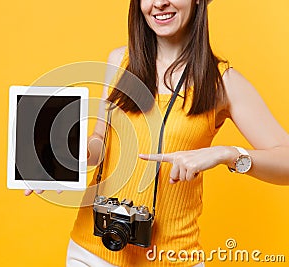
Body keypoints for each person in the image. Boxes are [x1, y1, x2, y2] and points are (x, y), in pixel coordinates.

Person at [26, 0, 289, 266]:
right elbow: (100, 142)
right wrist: (75, 155)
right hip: (93, 250)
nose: (159, 3)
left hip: (172, 257)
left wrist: (226, 154)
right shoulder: (120, 60)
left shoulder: (223, 83)